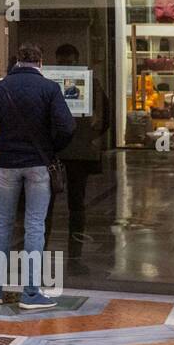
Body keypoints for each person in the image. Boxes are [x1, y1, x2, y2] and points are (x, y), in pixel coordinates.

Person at [0, 43, 75, 310]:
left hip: (6, 165)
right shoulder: (50, 89)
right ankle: (30, 293)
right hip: (39, 166)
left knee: (3, 224)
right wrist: (51, 148)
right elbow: (67, 126)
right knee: (35, 226)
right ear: (40, 63)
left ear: (17, 62)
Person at [46, 44, 109, 266]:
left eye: (69, 62)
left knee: (69, 201)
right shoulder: (88, 83)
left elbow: (104, 115)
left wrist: (92, 136)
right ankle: (72, 252)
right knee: (64, 201)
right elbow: (104, 116)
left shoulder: (54, 83)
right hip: (69, 148)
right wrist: (93, 136)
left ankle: (71, 250)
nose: (67, 66)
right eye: (64, 62)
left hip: (71, 148)